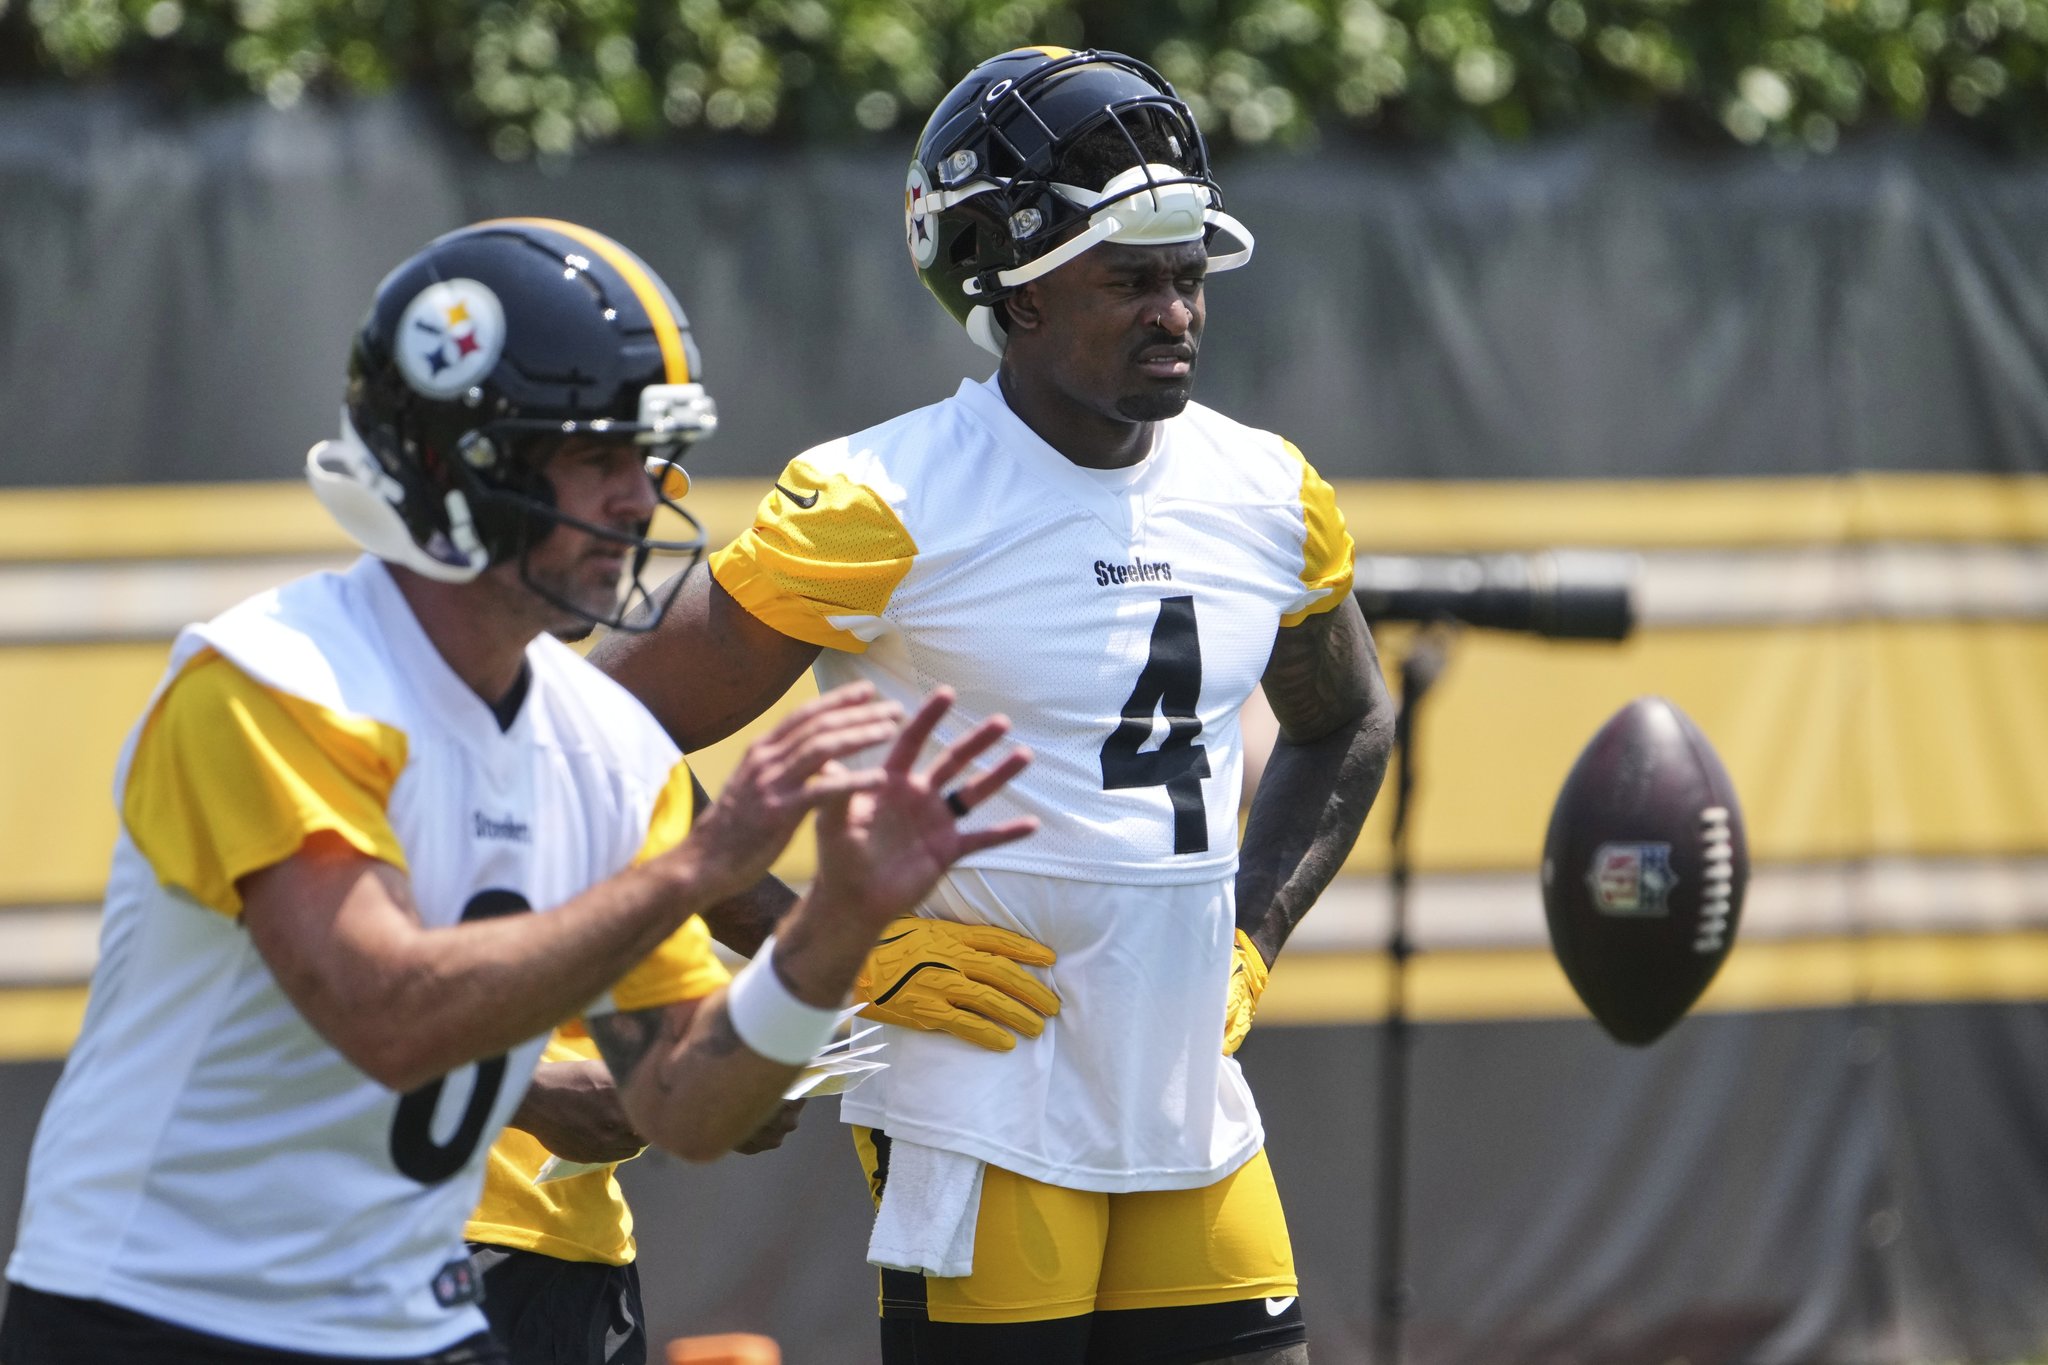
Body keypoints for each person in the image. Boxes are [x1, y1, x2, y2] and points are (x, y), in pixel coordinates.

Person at [0, 218, 1035, 1365]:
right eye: (599, 458)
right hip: (167, 1314)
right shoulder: (271, 682)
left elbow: (687, 1107)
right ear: (456, 466)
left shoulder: (602, 742)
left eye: (653, 460)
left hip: (412, 1313)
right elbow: (387, 1012)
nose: (643, 501)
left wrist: (835, 926)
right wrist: (699, 868)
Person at [594, 48, 1396, 1365]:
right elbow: (590, 734)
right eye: (1129, 277)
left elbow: (1346, 720)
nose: (1177, 311)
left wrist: (1252, 935)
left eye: (1189, 273)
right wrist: (824, 944)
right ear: (1011, 295)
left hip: (1189, 1090)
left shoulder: (1269, 490)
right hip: (979, 1094)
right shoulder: (885, 501)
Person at [461, 869, 1056, 1365]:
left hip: (579, 1255)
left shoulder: (618, 775)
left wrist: (729, 1085)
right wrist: (522, 1093)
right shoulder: (385, 748)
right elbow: (370, 1003)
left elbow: (672, 1011)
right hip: (414, 1244)